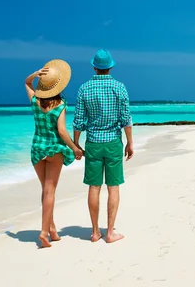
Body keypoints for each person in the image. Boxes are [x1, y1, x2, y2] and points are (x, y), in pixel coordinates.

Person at [73, 49, 134, 244]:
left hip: (93, 143)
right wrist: (130, 143)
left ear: (94, 67)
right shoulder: (119, 87)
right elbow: (126, 119)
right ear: (110, 67)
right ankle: (109, 233)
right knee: (113, 187)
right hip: (113, 142)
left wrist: (76, 144)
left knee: (94, 187)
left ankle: (94, 232)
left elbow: (79, 121)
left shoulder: (84, 89)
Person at [25, 59, 84, 248]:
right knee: (50, 191)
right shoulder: (60, 104)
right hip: (54, 150)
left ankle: (52, 230)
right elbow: (61, 131)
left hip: (37, 149)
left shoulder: (34, 101)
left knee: (45, 190)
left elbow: (26, 82)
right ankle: (44, 232)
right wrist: (75, 148)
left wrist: (35, 74)